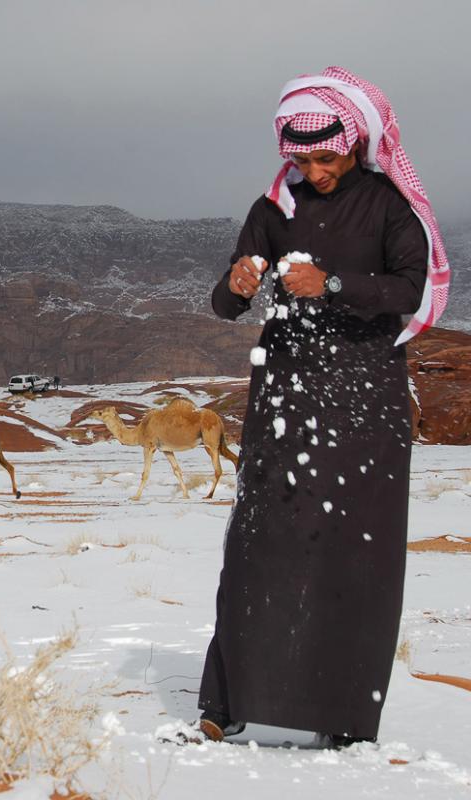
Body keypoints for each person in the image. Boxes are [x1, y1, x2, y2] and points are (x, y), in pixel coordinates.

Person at [197, 66, 451, 748]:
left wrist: (331, 284)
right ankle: (229, 702)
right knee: (259, 544)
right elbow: (225, 306)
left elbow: (408, 290)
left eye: (326, 156)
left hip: (366, 395)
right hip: (285, 392)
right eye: (301, 157)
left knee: (354, 552)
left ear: (354, 141)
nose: (314, 168)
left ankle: (341, 716)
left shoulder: (389, 206)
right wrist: (238, 282)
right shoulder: (271, 211)